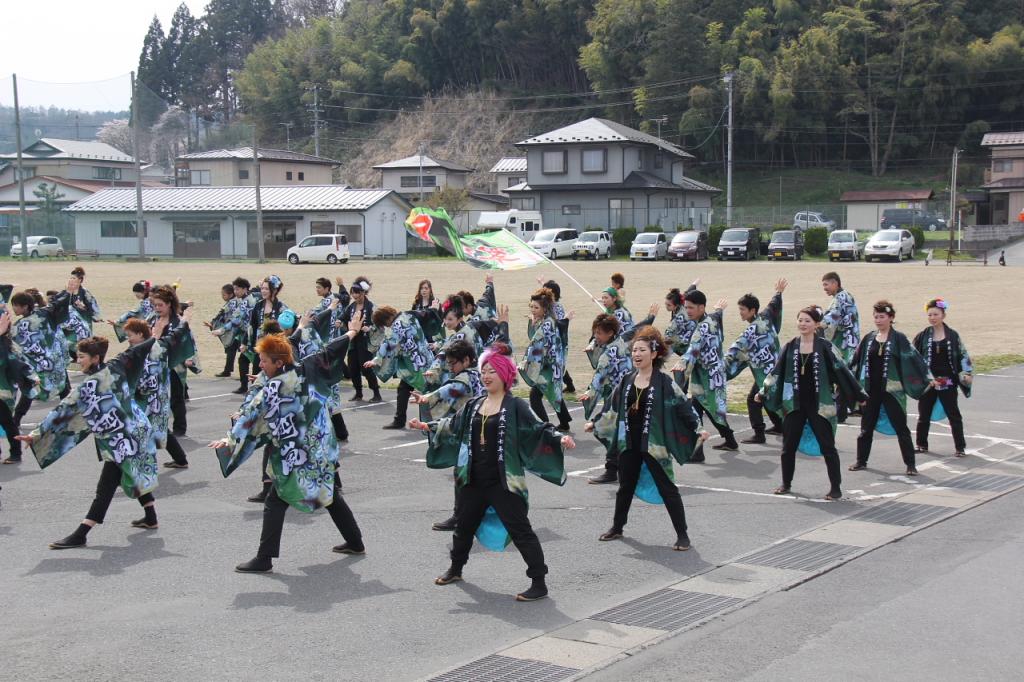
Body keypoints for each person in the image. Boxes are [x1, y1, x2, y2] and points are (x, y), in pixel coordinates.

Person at [410, 342, 575, 602]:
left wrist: (559, 439)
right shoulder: (475, 404)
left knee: (521, 530)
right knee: (463, 527)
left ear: (505, 375)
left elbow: (539, 427)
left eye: (492, 372)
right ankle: (456, 569)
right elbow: (452, 425)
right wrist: (427, 426)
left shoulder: (516, 405)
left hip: (503, 481)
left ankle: (539, 581)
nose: (486, 376)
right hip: (473, 479)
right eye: (484, 371)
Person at [208, 315, 366, 574]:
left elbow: (253, 418)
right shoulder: (308, 368)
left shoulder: (273, 388)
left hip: (296, 453)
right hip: (318, 446)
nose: (260, 364)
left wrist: (230, 440)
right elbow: (331, 351)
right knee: (328, 493)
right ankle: (355, 541)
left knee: (276, 499)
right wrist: (350, 334)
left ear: (278, 362)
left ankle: (265, 558)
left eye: (264, 361)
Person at [16, 327, 187, 549]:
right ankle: (151, 517)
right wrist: (153, 337)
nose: (78, 360)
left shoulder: (91, 384)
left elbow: (62, 410)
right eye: (78, 356)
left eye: (82, 357)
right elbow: (136, 353)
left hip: (123, 440)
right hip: (137, 431)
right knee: (130, 473)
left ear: (96, 358)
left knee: (104, 489)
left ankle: (81, 533)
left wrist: (36, 436)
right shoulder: (116, 367)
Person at [587, 326, 707, 551]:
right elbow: (611, 405)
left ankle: (683, 536)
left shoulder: (664, 382)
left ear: (654, 354)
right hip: (629, 443)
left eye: (642, 350)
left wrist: (698, 428)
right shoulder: (627, 379)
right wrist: (595, 422)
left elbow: (683, 406)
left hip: (654, 445)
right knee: (625, 487)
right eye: (634, 351)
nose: (636, 354)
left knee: (668, 488)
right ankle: (617, 527)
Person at [761, 306, 867, 500]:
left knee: (828, 446)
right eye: (800, 320)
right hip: (794, 404)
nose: (803, 324)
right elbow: (776, 371)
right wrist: (763, 390)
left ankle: (835, 487)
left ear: (817, 324)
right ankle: (786, 483)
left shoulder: (825, 346)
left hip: (820, 405)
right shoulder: (790, 345)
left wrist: (859, 395)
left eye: (807, 320)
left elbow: (842, 370)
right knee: (788, 447)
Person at [409, 338, 486, 531]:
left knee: (464, 475)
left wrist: (427, 397)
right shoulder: (479, 375)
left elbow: (449, 390)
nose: (450, 367)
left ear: (467, 360)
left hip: (472, 434)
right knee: (476, 476)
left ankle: (460, 517)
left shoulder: (465, 379)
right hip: (483, 431)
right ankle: (471, 515)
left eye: (453, 363)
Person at [849, 301, 931, 476]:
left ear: (891, 318)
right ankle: (861, 460)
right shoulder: (869, 338)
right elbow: (856, 361)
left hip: (892, 390)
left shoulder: (899, 338)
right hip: (871, 390)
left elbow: (914, 359)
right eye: (876, 317)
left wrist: (927, 378)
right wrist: (848, 381)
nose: (878, 320)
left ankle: (910, 464)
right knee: (866, 427)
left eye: (882, 317)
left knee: (901, 427)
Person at [124, 310, 196, 470]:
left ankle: (140, 467)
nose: (128, 339)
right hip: (153, 397)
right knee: (160, 429)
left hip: (150, 398)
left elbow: (149, 375)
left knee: (144, 430)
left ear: (141, 335)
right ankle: (180, 459)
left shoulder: (154, 350)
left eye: (130, 335)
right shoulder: (141, 350)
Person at [7, 281, 76, 447]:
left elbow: (14, 344)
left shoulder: (22, 324)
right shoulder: (44, 314)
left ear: (25, 307)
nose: (14, 309)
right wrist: (67, 292)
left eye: (16, 306)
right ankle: (67, 416)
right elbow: (57, 306)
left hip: (36, 363)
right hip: (53, 359)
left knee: (30, 390)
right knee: (62, 388)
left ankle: (17, 419)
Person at [676, 289, 737, 456]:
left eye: (691, 307)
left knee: (706, 411)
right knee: (707, 410)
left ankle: (699, 452)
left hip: (706, 379)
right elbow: (716, 316)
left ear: (701, 308)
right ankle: (727, 441)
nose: (687, 310)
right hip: (714, 375)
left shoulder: (701, 329)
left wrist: (682, 363)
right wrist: (719, 309)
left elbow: (692, 350)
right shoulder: (711, 320)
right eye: (686, 307)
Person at [725, 279, 787, 444]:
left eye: (743, 310)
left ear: (752, 310)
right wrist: (779, 292)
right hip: (776, 368)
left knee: (755, 399)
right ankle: (780, 426)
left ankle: (760, 434)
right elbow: (774, 304)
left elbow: (734, 350)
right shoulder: (766, 317)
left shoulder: (750, 331)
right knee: (763, 398)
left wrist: (718, 366)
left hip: (766, 374)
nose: (740, 313)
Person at [913, 298, 973, 458]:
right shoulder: (923, 336)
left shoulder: (953, 336)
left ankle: (960, 447)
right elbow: (913, 357)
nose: (932, 317)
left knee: (953, 413)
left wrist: (966, 374)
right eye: (930, 314)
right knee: (923, 413)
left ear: (943, 315)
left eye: (935, 314)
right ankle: (921, 444)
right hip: (929, 381)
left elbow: (962, 355)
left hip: (947, 380)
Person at [580, 314, 634, 484]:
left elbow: (599, 375)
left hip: (618, 396)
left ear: (610, 333)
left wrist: (590, 392)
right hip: (631, 392)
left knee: (607, 428)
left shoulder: (608, 353)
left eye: (599, 333)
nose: (596, 336)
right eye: (595, 332)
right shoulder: (622, 342)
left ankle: (612, 470)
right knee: (623, 431)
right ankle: (622, 467)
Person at [364, 304, 437, 429]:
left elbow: (389, 345)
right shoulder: (408, 316)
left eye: (384, 324)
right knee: (404, 389)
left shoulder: (397, 326)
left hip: (415, 365)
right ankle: (400, 419)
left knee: (425, 392)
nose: (387, 327)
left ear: (386, 320)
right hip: (427, 358)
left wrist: (376, 360)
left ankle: (428, 422)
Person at [519, 287, 572, 431]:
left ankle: (544, 427)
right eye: (531, 307)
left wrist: (525, 362)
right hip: (551, 364)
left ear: (545, 308)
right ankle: (564, 422)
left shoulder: (547, 323)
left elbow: (535, 342)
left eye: (536, 307)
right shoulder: (546, 320)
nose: (533, 310)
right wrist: (533, 322)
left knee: (535, 396)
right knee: (553, 391)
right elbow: (535, 339)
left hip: (549, 365)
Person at [333, 276, 382, 402]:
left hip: (365, 342)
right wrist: (339, 321)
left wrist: (369, 328)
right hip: (353, 341)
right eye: (353, 292)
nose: (355, 295)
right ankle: (358, 393)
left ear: (364, 293)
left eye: (357, 292)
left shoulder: (371, 307)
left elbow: (379, 324)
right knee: (353, 367)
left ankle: (376, 393)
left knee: (365, 368)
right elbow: (343, 316)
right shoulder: (352, 306)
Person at [821, 272, 860, 423]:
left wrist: (818, 324)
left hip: (845, 343)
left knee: (842, 375)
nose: (824, 288)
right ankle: (846, 409)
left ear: (835, 283)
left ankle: (843, 410)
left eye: (826, 284)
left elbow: (833, 317)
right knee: (845, 374)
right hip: (849, 340)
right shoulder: (847, 296)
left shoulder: (840, 298)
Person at [0, 313, 37, 467]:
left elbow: (19, 364)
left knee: (7, 422)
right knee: (7, 422)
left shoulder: (7, 345)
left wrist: (31, 377)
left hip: (2, 392)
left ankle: (16, 453)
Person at [61, 266, 102, 362]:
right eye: (70, 278)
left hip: (82, 322)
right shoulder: (67, 291)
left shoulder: (85, 293)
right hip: (68, 323)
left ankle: (82, 358)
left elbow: (93, 307)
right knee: (66, 341)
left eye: (74, 278)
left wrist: (83, 307)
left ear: (80, 280)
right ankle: (73, 358)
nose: (71, 280)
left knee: (81, 342)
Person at [206, 283, 238, 377]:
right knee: (231, 350)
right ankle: (228, 370)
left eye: (224, 294)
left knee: (231, 350)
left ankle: (227, 371)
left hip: (234, 331)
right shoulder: (233, 302)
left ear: (231, 294)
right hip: (232, 329)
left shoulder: (232, 304)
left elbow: (223, 316)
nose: (222, 296)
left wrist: (213, 324)